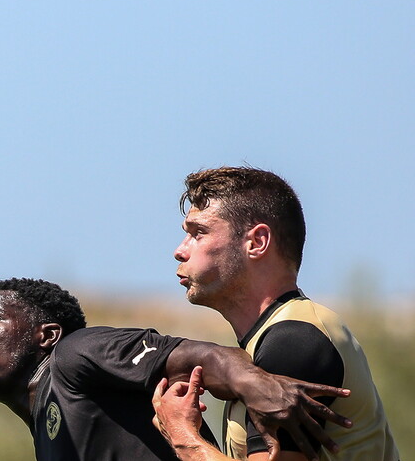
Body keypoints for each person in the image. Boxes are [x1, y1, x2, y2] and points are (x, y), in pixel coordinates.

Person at [0, 277, 350, 461]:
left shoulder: (76, 353)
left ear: (47, 335)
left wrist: (259, 384)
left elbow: (202, 357)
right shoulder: (45, 425)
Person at [165, 166, 398, 460]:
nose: (179, 251)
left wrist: (183, 436)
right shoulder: (282, 333)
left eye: (198, 233)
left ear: (257, 242)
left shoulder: (294, 341)